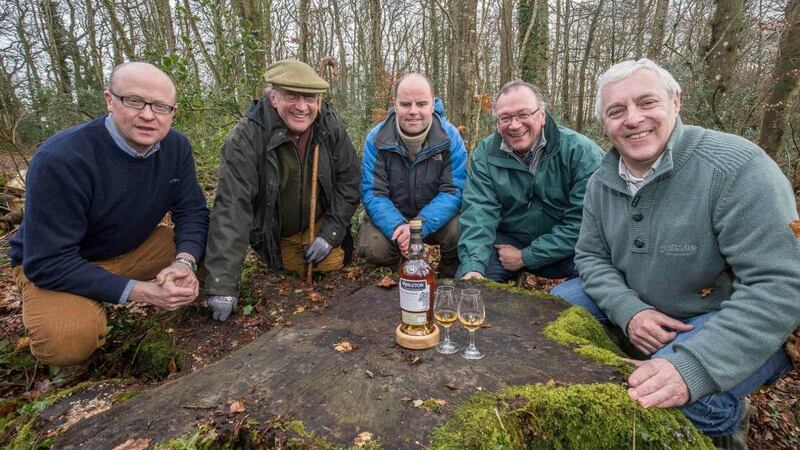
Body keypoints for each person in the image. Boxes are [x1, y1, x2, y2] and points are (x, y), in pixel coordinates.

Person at [567, 58, 800, 448]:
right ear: (604, 123)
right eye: (616, 111)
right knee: (556, 311)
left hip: (725, 318)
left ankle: (724, 420)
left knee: (668, 400)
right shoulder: (601, 181)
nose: (632, 119)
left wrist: (690, 368)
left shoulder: (736, 167)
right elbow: (590, 257)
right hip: (646, 304)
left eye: (647, 103)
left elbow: (780, 283)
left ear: (676, 102)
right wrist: (629, 310)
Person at [8, 62, 209, 367]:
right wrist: (141, 292)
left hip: (131, 249)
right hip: (57, 265)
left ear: (173, 113)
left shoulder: (175, 146)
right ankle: (79, 307)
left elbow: (192, 210)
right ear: (109, 100)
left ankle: (110, 291)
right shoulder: (61, 159)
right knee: (68, 342)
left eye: (160, 106)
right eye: (134, 101)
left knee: (208, 248)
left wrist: (184, 261)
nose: (147, 115)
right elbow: (48, 261)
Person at [204, 59, 360, 321]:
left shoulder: (328, 125)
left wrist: (330, 234)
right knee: (288, 286)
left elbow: (350, 182)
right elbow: (232, 209)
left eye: (310, 98)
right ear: (273, 97)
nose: (302, 107)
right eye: (291, 96)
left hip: (319, 227)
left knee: (333, 276)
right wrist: (222, 284)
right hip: (279, 234)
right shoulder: (247, 137)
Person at [456, 80, 602, 287]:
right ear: (497, 122)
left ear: (541, 115)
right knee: (472, 285)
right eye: (505, 118)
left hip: (567, 249)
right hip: (507, 244)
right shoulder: (486, 153)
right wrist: (473, 267)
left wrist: (526, 257)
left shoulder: (581, 153)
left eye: (523, 115)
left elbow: (582, 224)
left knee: (593, 285)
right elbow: (478, 211)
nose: (514, 125)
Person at [358, 73, 466, 276]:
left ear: (433, 105)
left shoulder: (451, 138)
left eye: (422, 104)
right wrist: (398, 226)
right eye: (406, 104)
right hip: (394, 217)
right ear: (395, 105)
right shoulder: (377, 138)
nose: (413, 111)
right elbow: (373, 192)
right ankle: (398, 273)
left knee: (461, 230)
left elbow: (453, 191)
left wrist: (419, 227)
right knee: (374, 247)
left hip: (434, 219)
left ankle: (448, 275)